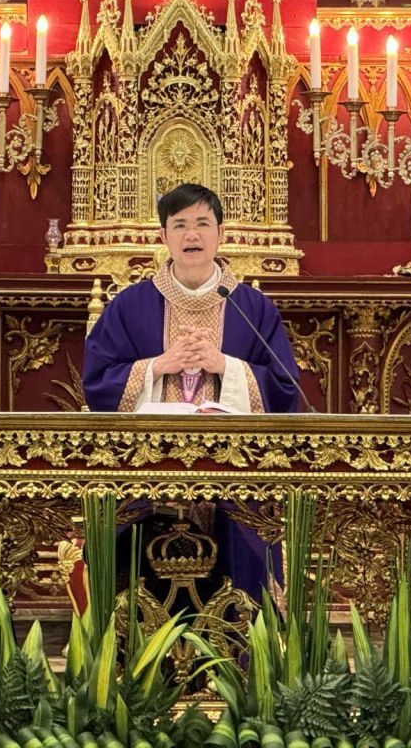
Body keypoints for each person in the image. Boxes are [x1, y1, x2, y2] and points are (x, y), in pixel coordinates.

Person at [82, 182, 300, 601]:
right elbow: (97, 384)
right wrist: (158, 366)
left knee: (247, 531)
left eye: (202, 223)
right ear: (163, 236)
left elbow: (284, 389)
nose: (192, 235)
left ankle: (242, 638)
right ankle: (136, 636)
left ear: (221, 233)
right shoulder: (130, 305)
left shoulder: (252, 307)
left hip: (235, 475)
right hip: (147, 472)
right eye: (180, 224)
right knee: (124, 529)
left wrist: (225, 366)